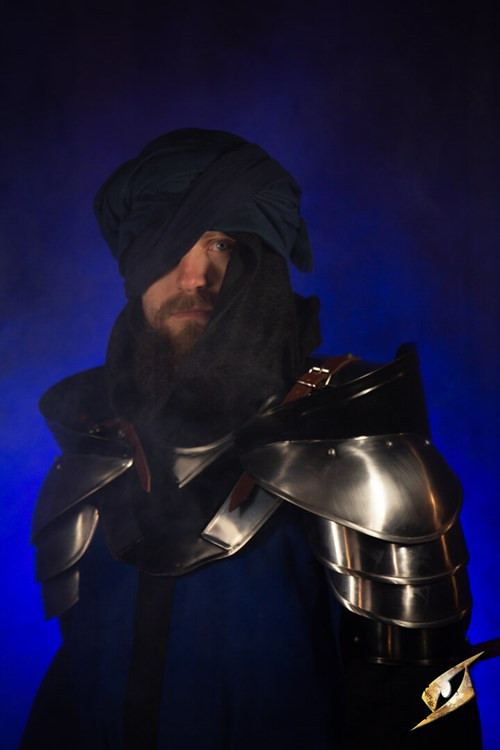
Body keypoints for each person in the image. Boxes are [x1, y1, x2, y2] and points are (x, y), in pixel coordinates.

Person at [22, 129, 481, 749]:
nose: (195, 276)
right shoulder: (95, 453)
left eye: (221, 244)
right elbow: (76, 692)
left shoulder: (355, 445)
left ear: (264, 263)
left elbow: (431, 705)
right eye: (168, 242)